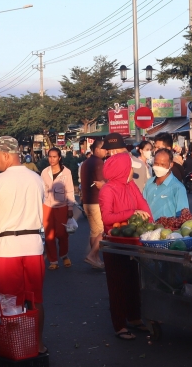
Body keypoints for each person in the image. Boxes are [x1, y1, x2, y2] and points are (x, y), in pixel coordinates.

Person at [0, 136, 47, 353]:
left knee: (9, 302)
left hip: (8, 249)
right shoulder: (36, 178)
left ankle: (14, 346)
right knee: (36, 300)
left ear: (6, 154)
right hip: (33, 246)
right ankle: (38, 345)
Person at [98, 152, 151, 340]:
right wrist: (131, 213)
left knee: (133, 281)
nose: (132, 172)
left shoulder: (131, 185)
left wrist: (151, 222)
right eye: (129, 169)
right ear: (121, 170)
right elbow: (107, 218)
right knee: (117, 285)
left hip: (132, 242)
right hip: (114, 244)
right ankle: (119, 325)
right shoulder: (107, 190)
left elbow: (143, 206)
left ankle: (135, 318)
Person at [41, 147, 75, 270]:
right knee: (49, 235)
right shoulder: (44, 172)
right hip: (47, 206)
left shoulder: (67, 172)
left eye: (54, 156)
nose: (52, 159)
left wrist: (70, 207)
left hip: (62, 206)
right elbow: (41, 190)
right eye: (50, 156)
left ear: (59, 158)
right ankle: (53, 261)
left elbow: (70, 190)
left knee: (62, 233)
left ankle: (64, 255)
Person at [80, 137, 107, 269]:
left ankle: (95, 260)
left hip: (87, 202)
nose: (106, 151)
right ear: (97, 149)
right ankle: (92, 255)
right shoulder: (98, 162)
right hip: (96, 201)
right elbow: (101, 183)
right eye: (104, 148)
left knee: (94, 232)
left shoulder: (86, 162)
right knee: (104, 231)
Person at [143, 149, 189, 219]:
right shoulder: (149, 183)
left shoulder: (178, 187)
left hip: (168, 229)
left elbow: (183, 215)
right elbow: (143, 206)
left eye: (162, 164)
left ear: (171, 165)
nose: (158, 167)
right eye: (156, 163)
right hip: (149, 228)